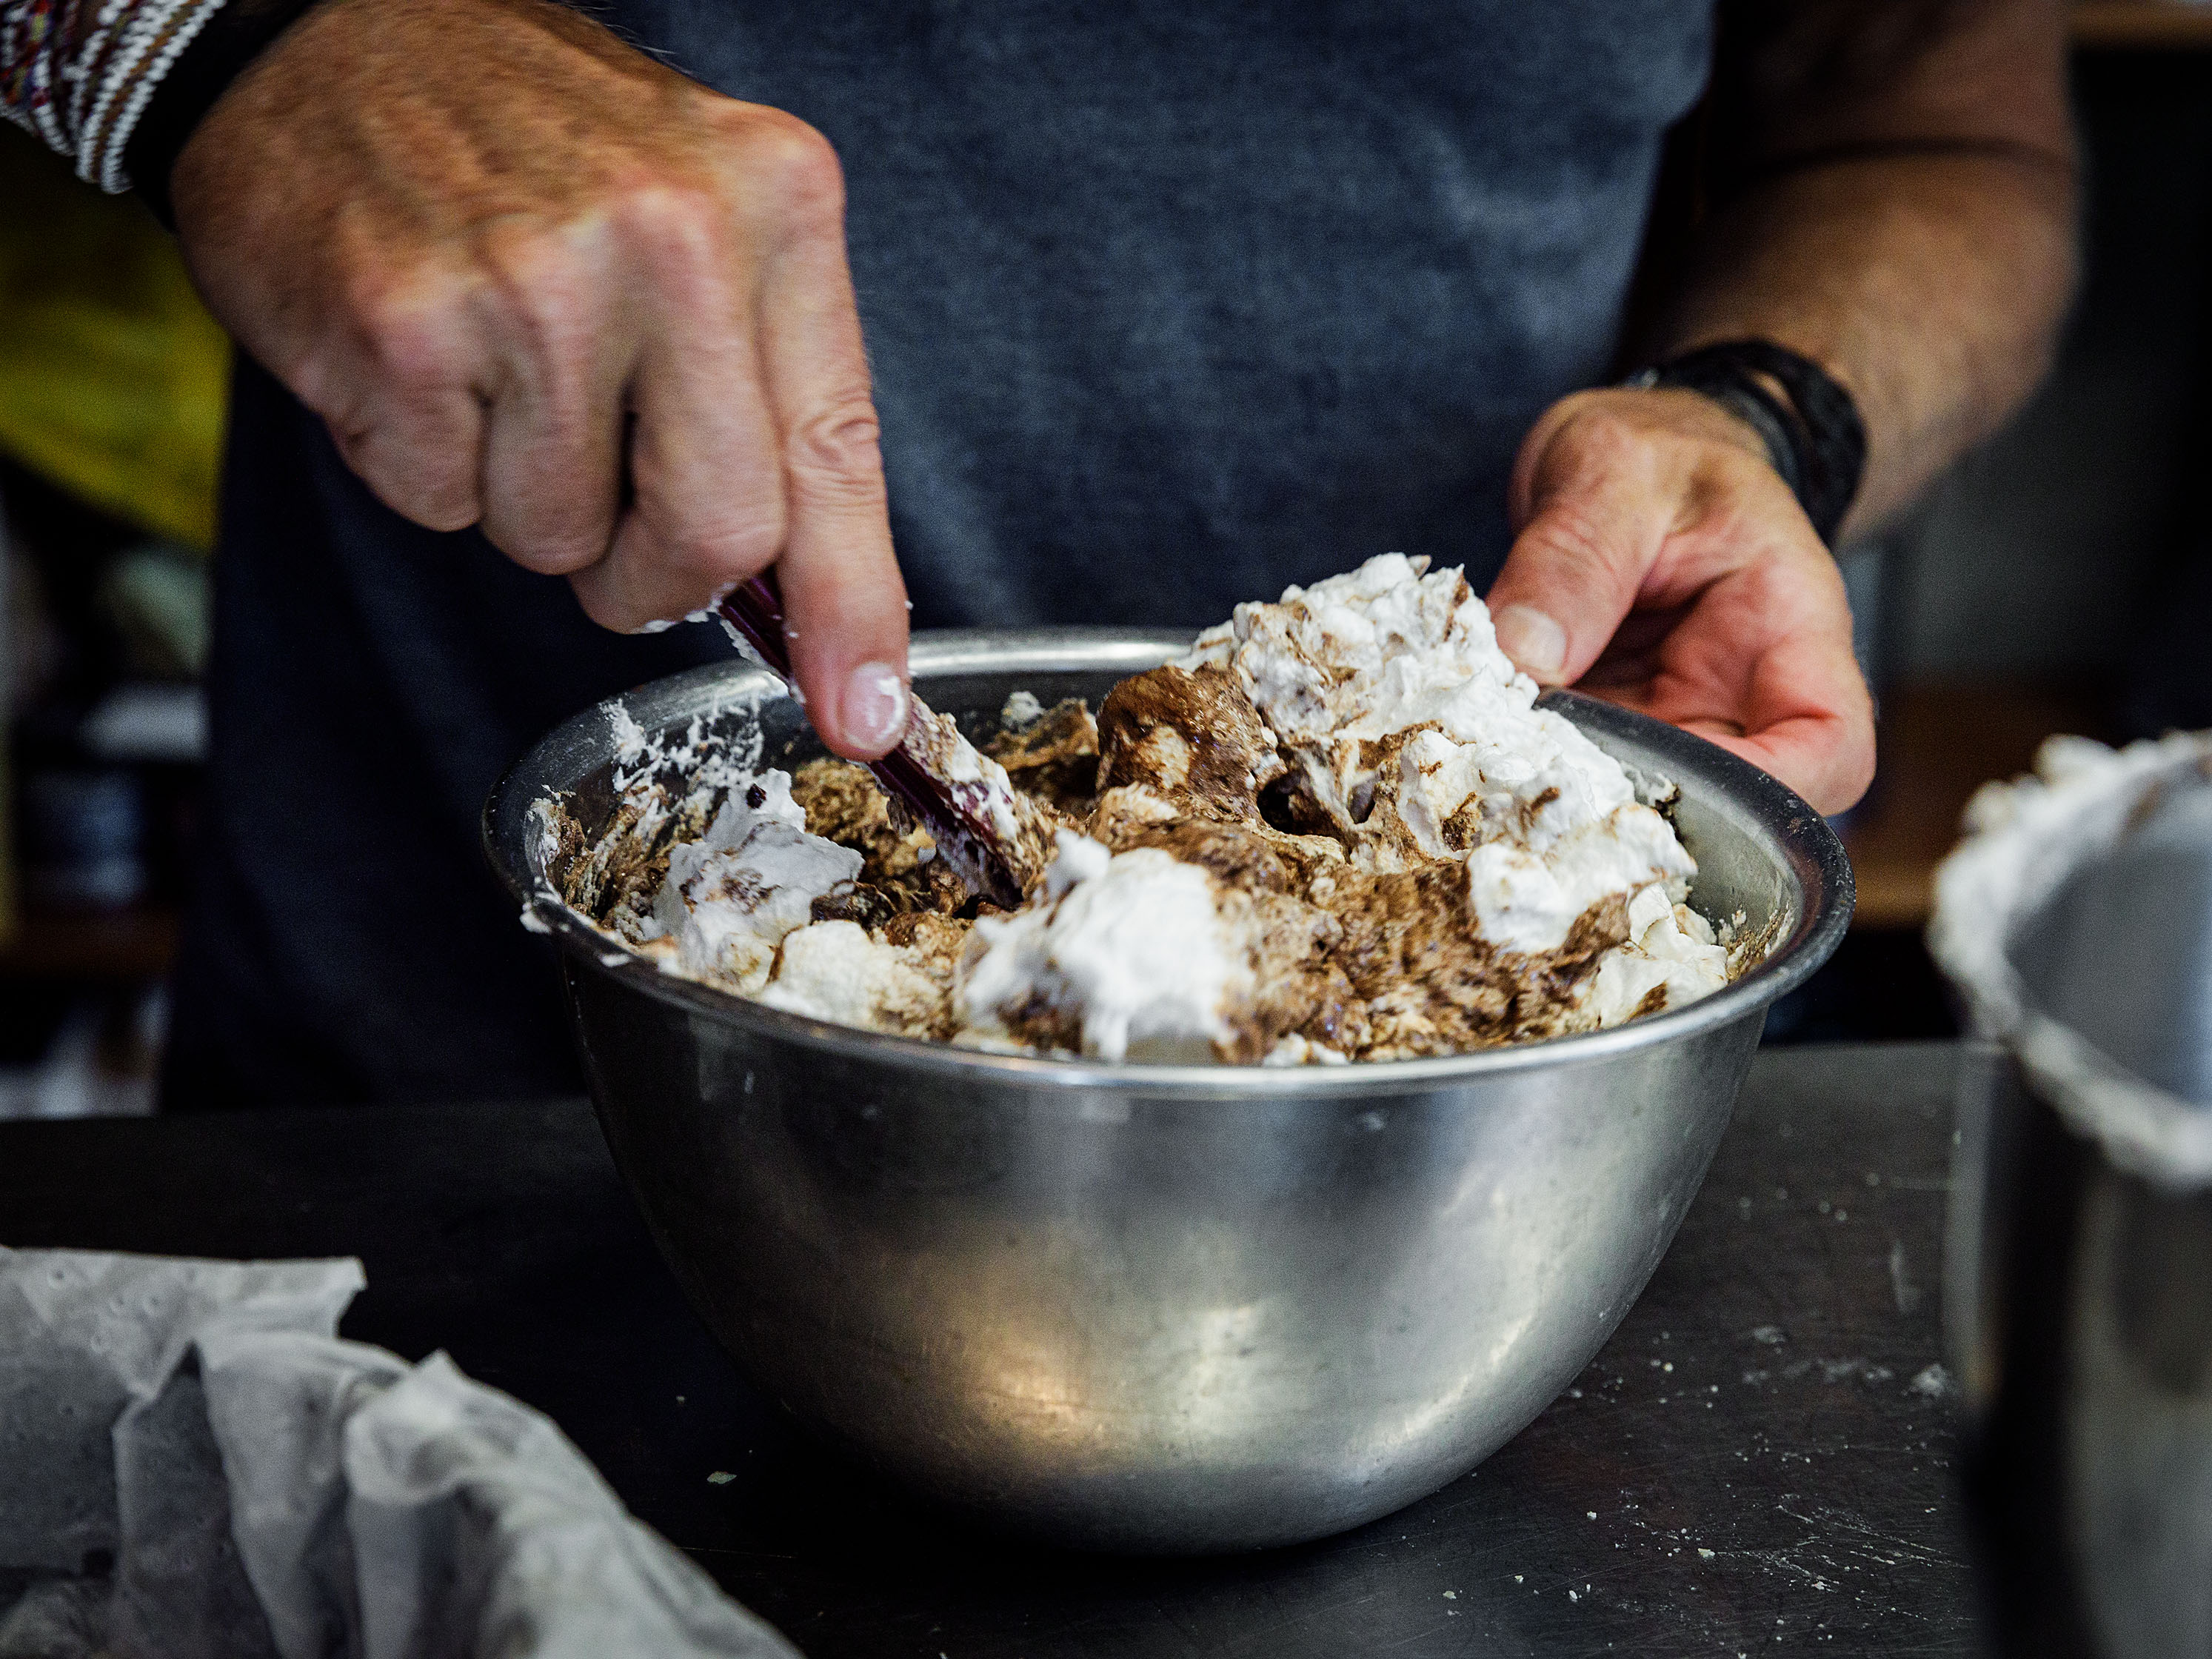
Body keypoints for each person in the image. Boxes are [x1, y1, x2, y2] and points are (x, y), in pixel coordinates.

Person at [3, 0, 2076, 1107]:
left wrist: (1759, 413)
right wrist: (213, 37)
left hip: (1486, 1123)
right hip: (474, 1106)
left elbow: (1932, 126)